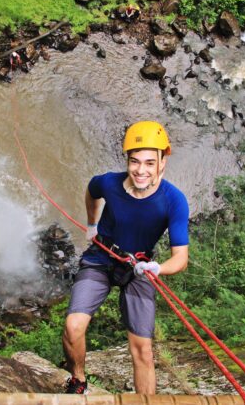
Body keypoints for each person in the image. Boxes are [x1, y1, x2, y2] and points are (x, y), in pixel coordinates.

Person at [62, 120, 189, 395]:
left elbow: (180, 257)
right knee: (73, 327)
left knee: (143, 349)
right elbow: (91, 190)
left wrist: (158, 267)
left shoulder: (173, 200)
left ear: (162, 162)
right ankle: (78, 380)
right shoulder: (109, 183)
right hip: (101, 258)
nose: (140, 171)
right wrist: (91, 223)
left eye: (149, 163)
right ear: (127, 161)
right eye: (134, 162)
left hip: (139, 269)